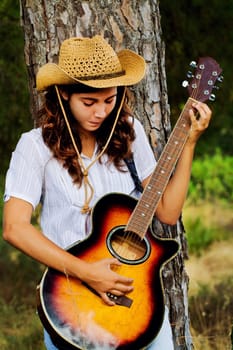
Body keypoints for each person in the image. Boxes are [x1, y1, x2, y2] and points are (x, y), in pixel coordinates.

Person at [2, 35, 212, 350]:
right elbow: (14, 228)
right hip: (74, 302)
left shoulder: (129, 131)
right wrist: (87, 272)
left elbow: (167, 211)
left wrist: (190, 142)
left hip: (137, 301)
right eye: (89, 102)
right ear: (63, 95)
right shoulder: (34, 148)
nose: (101, 112)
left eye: (109, 100)